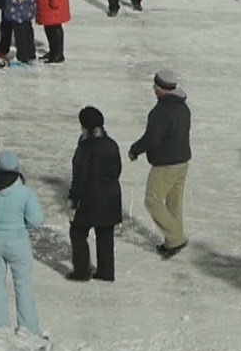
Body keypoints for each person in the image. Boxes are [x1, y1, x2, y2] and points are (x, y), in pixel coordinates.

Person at [0, 150, 46, 339]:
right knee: (23, 285)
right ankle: (28, 329)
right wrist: (22, 225)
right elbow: (36, 220)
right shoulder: (25, 193)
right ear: (17, 170)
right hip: (18, 241)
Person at [128, 70, 192, 257]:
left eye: (156, 87)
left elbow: (152, 139)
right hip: (182, 161)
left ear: (163, 89)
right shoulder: (183, 107)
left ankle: (176, 238)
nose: (153, 89)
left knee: (152, 201)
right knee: (174, 202)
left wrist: (135, 150)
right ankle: (173, 241)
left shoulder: (161, 112)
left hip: (166, 164)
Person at [67, 106, 123, 282]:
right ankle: (107, 271)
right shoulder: (112, 144)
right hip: (111, 197)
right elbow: (117, 169)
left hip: (89, 199)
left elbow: (79, 177)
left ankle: (82, 271)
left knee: (78, 231)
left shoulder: (84, 148)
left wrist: (73, 200)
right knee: (105, 234)